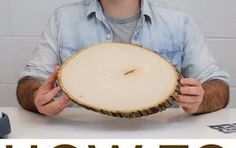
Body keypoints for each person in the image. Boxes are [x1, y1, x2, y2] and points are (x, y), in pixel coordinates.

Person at [17, 0, 230, 116]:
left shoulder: (179, 21)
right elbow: (29, 81)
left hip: (159, 142)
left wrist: (200, 101)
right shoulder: (62, 19)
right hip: (79, 139)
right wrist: (36, 99)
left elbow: (219, 86)